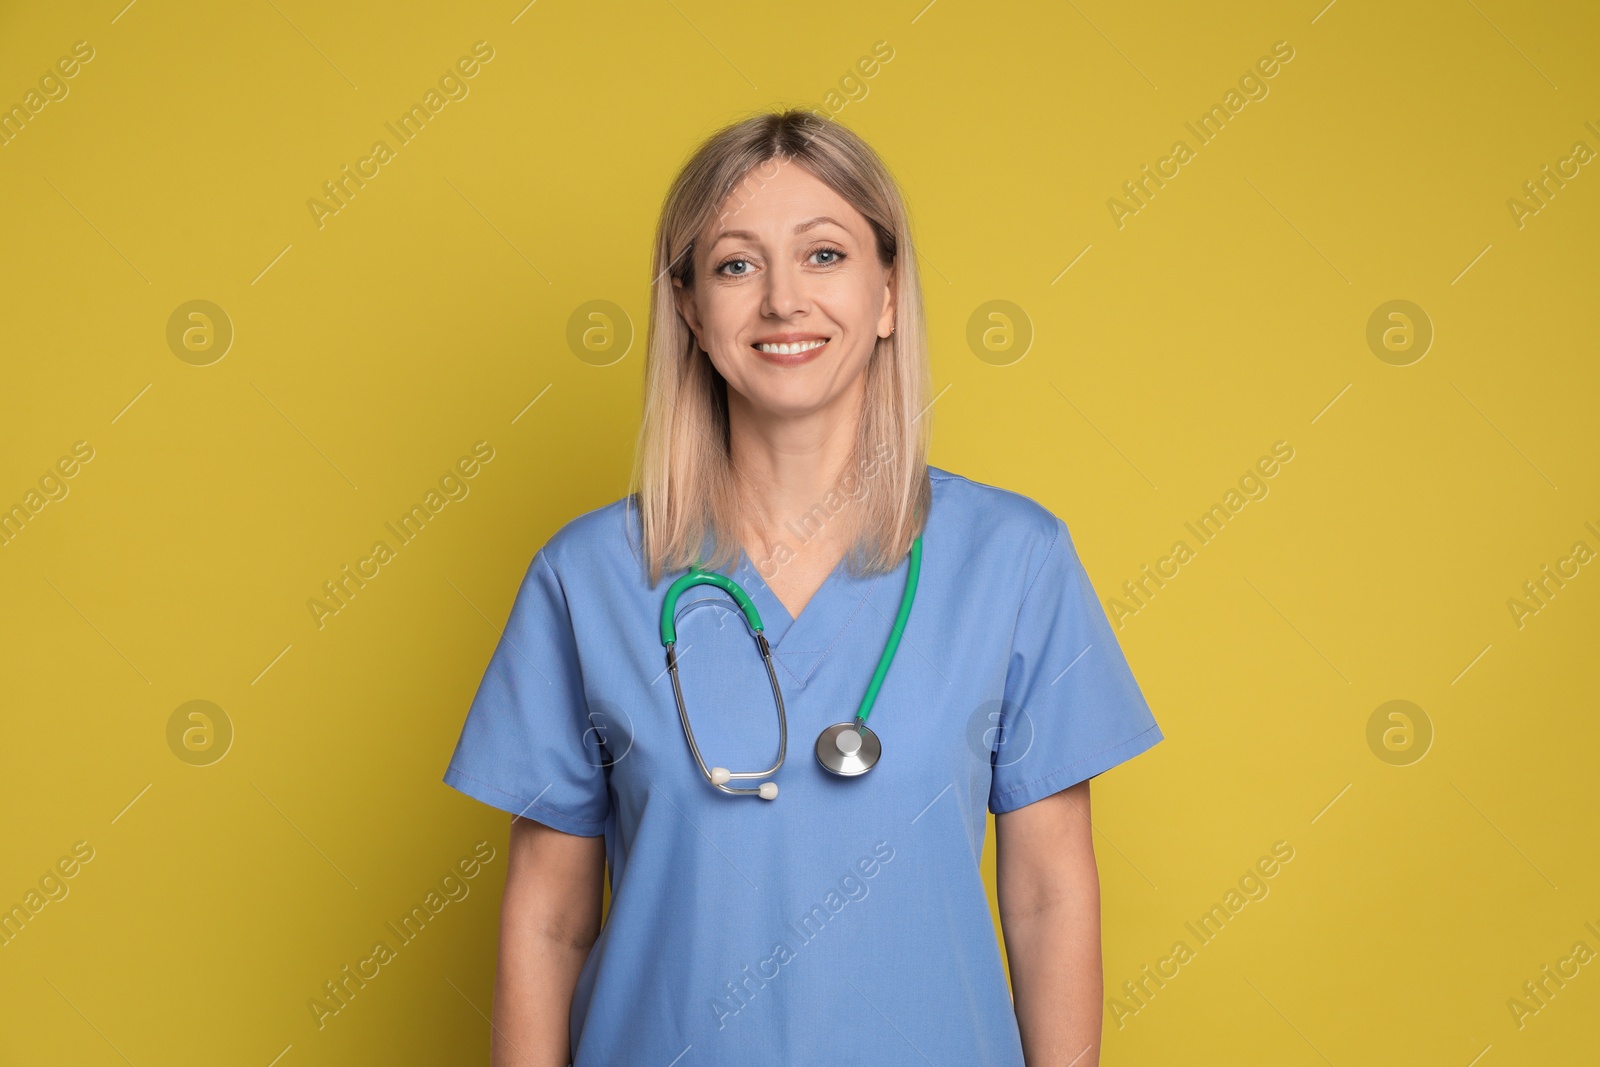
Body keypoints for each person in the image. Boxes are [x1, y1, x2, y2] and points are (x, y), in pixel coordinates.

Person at [442, 108, 1163, 1067]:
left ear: (889, 295)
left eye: (824, 255)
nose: (784, 300)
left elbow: (1047, 894)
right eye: (737, 265)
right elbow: (548, 918)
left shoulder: (1013, 559)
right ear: (691, 311)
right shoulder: (590, 577)